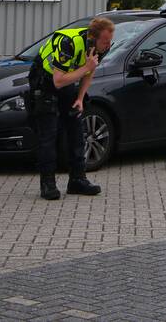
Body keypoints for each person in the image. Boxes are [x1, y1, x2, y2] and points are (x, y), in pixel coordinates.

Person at [33, 17, 114, 200]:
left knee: (77, 130)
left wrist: (79, 98)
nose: (108, 45)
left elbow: (89, 72)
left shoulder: (100, 46)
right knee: (49, 134)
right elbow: (58, 81)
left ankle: (78, 180)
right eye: (105, 41)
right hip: (45, 81)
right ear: (92, 38)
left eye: (109, 41)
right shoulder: (68, 43)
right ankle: (48, 184)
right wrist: (86, 66)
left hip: (67, 81)